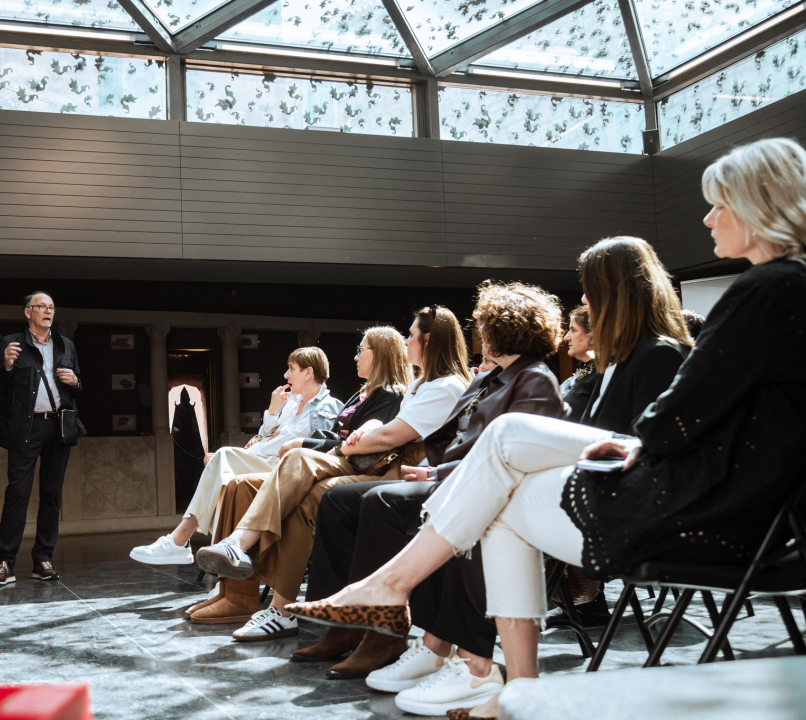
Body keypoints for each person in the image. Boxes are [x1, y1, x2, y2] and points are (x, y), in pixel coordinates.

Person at [286, 137, 806, 720]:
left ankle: (409, 603)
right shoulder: (783, 290)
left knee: (507, 440)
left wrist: (614, 444)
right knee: (503, 493)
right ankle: (507, 685)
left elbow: (673, 420)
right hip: (734, 508)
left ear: (759, 205)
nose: (708, 217)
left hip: (706, 512)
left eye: (719, 204)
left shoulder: (769, 289)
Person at [295, 283, 566, 683]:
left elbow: (513, 457)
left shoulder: (534, 380)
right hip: (452, 480)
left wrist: (437, 474)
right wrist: (435, 472)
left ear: (503, 329)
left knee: (381, 502)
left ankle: (382, 633)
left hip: (483, 491)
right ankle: (345, 624)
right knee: (339, 500)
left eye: (485, 326)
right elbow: (460, 444)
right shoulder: (490, 380)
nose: (479, 334)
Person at [188, 326, 412, 630]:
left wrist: (305, 444)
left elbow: (363, 443)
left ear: (382, 354)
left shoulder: (390, 395)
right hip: (331, 461)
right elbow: (338, 436)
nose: (356, 356)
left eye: (362, 350)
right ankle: (236, 597)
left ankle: (240, 545)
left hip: (352, 468)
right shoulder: (362, 394)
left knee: (295, 457)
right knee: (237, 485)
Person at [129, 347, 344, 565]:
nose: (286, 375)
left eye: (291, 369)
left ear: (308, 373)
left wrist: (236, 456)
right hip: (260, 462)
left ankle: (179, 540)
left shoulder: (330, 407)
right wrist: (272, 411)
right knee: (226, 479)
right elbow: (263, 438)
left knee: (222, 457)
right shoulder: (290, 403)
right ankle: (223, 568)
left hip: (286, 471)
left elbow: (324, 452)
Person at [0, 291, 83, 588]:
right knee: (18, 492)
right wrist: (5, 366)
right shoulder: (11, 344)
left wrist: (76, 381)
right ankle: (5, 562)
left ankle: (43, 559)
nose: (48, 311)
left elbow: (79, 385)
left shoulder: (66, 344)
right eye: (41, 307)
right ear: (27, 312)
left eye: (52, 307)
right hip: (25, 429)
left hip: (58, 427)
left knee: (51, 495)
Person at [559, 305, 597, 423]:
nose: (566, 337)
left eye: (573, 330)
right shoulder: (575, 377)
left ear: (593, 335)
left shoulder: (604, 376)